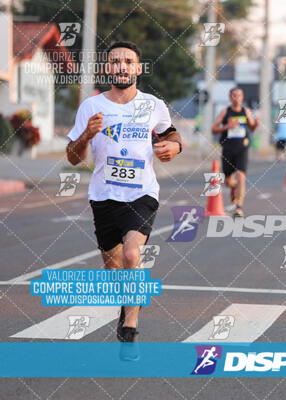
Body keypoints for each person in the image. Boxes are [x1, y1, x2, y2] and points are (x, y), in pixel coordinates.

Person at [65, 41, 182, 342]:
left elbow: (170, 132)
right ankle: (128, 299)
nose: (122, 66)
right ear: (107, 68)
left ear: (138, 69)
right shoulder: (91, 107)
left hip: (141, 193)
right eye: (115, 61)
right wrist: (87, 135)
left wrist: (175, 146)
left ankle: (130, 326)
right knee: (114, 269)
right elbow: (73, 157)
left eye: (128, 62)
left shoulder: (153, 105)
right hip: (103, 196)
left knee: (132, 254)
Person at [211, 87, 259, 217]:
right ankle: (233, 188)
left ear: (242, 97)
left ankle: (239, 208)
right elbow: (214, 129)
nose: (236, 98)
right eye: (234, 95)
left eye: (238, 95)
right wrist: (227, 126)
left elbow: (252, 127)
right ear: (230, 98)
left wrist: (256, 124)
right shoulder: (225, 112)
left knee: (241, 177)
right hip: (228, 148)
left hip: (242, 148)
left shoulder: (246, 112)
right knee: (228, 181)